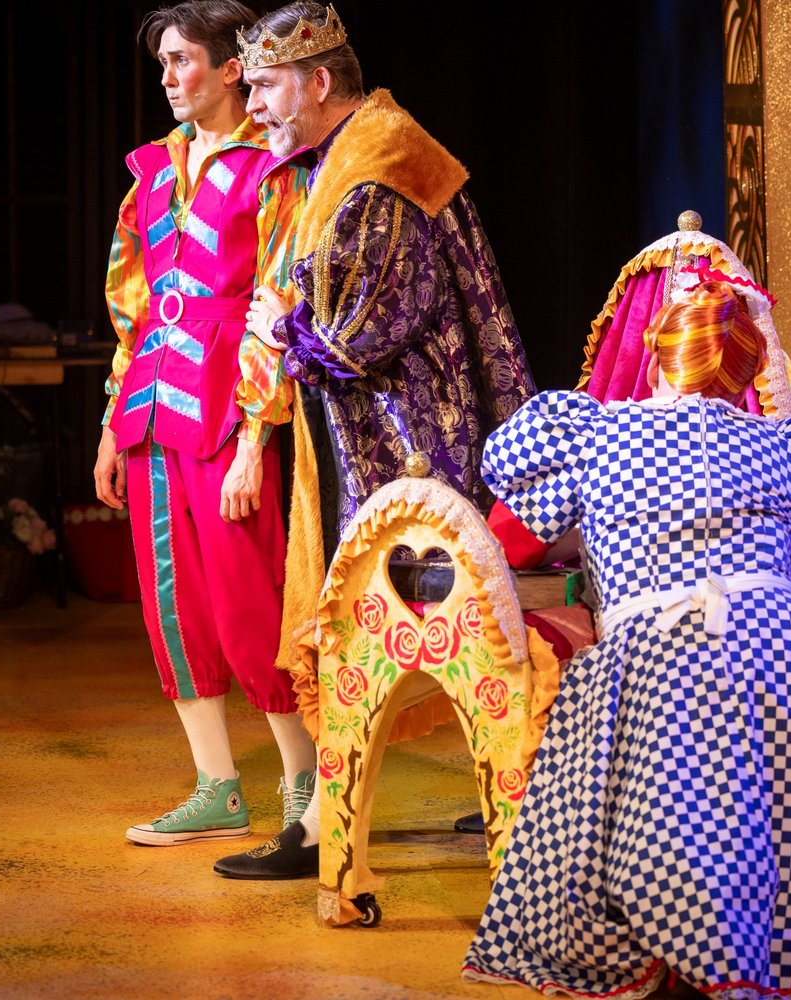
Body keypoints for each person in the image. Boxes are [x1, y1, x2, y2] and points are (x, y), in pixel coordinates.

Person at [461, 281, 791, 997]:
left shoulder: (594, 432)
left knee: (673, 701)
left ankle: (679, 929)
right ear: (750, 375)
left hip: (661, 643)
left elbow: (516, 488)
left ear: (656, 362)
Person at [211, 1, 536, 879]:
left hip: (412, 444)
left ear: (320, 82)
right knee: (422, 630)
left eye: (271, 87)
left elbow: (371, 322)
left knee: (397, 628)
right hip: (400, 437)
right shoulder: (357, 154)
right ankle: (366, 815)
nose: (258, 109)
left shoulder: (378, 168)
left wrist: (283, 328)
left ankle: (331, 830)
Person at [94, 0, 315, 849]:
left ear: (232, 70)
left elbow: (277, 308)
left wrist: (257, 440)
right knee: (171, 604)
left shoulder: (273, 175)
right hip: (152, 410)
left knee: (247, 600)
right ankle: (217, 786)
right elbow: (132, 305)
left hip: (227, 415)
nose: (168, 78)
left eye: (182, 60)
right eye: (162, 64)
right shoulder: (150, 172)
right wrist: (115, 424)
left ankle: (302, 783)